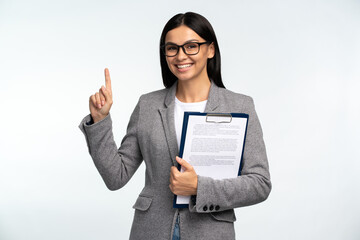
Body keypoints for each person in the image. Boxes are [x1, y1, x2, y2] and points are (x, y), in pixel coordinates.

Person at [79, 12, 271, 240]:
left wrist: (200, 187)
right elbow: (116, 177)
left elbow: (260, 184)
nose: (180, 56)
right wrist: (100, 121)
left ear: (210, 50)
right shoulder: (148, 105)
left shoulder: (240, 105)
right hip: (150, 230)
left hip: (210, 232)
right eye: (172, 48)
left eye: (191, 46)